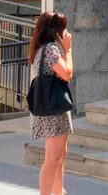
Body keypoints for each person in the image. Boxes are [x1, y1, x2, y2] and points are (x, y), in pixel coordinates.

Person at [29, 11, 74, 195]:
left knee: (59, 157)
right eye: (63, 28)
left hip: (54, 108)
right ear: (55, 31)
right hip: (54, 110)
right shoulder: (50, 50)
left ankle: (58, 191)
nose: (66, 32)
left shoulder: (40, 48)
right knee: (52, 159)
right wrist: (68, 50)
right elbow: (67, 74)